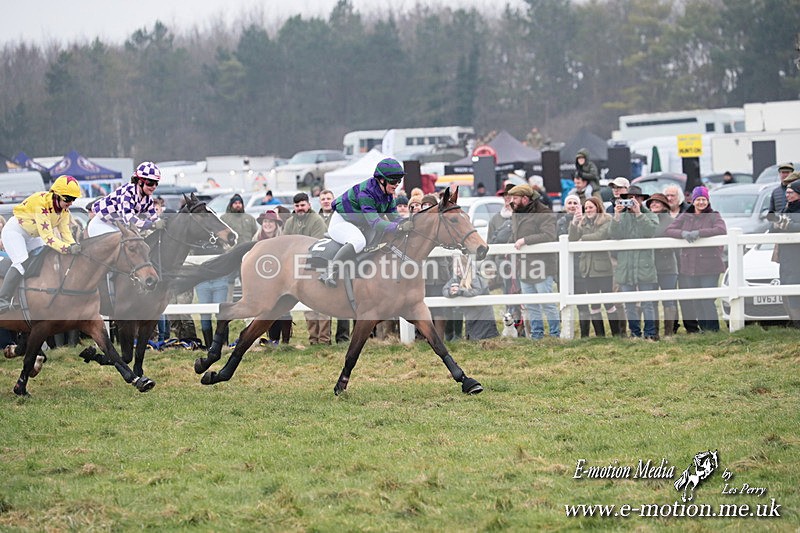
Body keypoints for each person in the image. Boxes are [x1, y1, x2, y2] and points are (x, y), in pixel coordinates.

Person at [320, 157, 412, 288]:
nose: (397, 184)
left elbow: (394, 217)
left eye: (399, 180)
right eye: (393, 180)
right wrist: (399, 227)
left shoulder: (388, 195)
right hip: (341, 221)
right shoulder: (366, 193)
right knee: (358, 241)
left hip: (360, 224)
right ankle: (329, 271)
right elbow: (375, 222)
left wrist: (410, 222)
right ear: (381, 180)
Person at [0, 175, 83, 313]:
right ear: (56, 195)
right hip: (15, 232)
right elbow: (48, 237)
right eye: (68, 199)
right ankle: (3, 299)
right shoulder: (41, 204)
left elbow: (65, 233)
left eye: (73, 199)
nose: (70, 203)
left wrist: (74, 245)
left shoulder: (64, 211)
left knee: (44, 259)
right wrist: (67, 249)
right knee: (21, 262)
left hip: (32, 234)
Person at [664, 186, 727, 333]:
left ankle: (713, 330)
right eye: (698, 199)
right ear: (693, 201)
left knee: (707, 299)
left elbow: (721, 229)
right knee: (696, 299)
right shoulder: (686, 216)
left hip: (710, 265)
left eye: (703, 199)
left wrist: (699, 233)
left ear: (708, 200)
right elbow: (669, 230)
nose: (701, 202)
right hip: (690, 265)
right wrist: (683, 233)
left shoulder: (714, 215)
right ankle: (704, 329)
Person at [509, 184, 559, 340]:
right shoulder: (517, 212)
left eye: (515, 198)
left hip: (543, 265)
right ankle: (537, 334)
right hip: (524, 265)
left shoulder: (544, 213)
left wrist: (525, 240)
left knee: (547, 302)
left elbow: (549, 235)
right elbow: (515, 235)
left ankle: (554, 334)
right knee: (531, 303)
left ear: (525, 199)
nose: (512, 201)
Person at [608, 189, 659, 340]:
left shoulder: (650, 215)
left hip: (644, 265)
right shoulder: (622, 216)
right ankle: (635, 333)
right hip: (626, 265)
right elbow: (614, 235)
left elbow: (651, 231)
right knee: (629, 304)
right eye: (630, 198)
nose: (633, 200)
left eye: (636, 198)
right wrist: (616, 216)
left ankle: (650, 333)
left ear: (642, 199)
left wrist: (638, 214)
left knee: (647, 303)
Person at [568, 196, 618, 338]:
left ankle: (617, 334)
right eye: (586, 208)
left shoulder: (607, 219)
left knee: (609, 303)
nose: (588, 210)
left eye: (591, 207)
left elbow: (600, 235)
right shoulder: (583, 222)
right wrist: (574, 222)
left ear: (598, 207)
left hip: (602, 268)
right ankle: (600, 335)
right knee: (594, 304)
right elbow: (572, 239)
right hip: (587, 268)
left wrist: (582, 239)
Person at [283, 192, 329, 345]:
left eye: (302, 205)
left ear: (309, 205)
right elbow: (285, 243)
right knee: (308, 305)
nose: (300, 208)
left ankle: (324, 339)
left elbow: (317, 244)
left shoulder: (317, 220)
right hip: (298, 268)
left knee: (321, 304)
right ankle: (313, 339)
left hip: (317, 266)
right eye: (297, 206)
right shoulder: (290, 223)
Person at [88, 161, 163, 236]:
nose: (154, 186)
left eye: (156, 183)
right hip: (101, 225)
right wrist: (152, 225)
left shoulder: (147, 198)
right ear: (140, 182)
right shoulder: (127, 192)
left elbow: (154, 217)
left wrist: (162, 223)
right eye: (150, 183)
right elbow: (129, 220)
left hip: (117, 227)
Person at [254, 210, 293, 344]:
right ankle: (273, 339)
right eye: (265, 221)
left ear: (276, 224)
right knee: (268, 309)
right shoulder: (256, 240)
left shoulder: (283, 240)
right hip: (262, 279)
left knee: (284, 309)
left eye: (271, 221)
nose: (268, 224)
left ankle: (285, 342)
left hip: (281, 279)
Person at [645, 193, 679, 337]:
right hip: (650, 267)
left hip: (668, 266)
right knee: (652, 301)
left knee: (669, 301)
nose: (654, 204)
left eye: (657, 202)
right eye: (651, 202)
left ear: (664, 205)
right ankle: (654, 333)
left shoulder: (672, 221)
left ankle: (669, 333)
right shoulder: (646, 220)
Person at [318, 188, 349, 344]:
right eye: (323, 199)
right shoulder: (317, 218)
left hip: (340, 258)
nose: (326, 201)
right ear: (319, 201)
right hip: (323, 258)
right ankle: (324, 337)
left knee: (342, 296)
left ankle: (343, 336)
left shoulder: (340, 216)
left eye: (328, 198)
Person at [442, 256, 498, 340]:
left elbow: (477, 290)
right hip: (470, 313)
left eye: (459, 267)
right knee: (473, 335)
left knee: (485, 334)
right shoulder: (455, 279)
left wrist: (460, 291)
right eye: (455, 267)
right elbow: (445, 290)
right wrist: (451, 292)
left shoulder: (473, 276)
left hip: (482, 310)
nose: (457, 269)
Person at [771, 179, 800, 327]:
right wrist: (777, 223)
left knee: (796, 291)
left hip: (797, 258)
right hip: (786, 257)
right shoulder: (786, 209)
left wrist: (787, 224)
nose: (787, 195)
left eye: (790, 192)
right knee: (786, 289)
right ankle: (795, 323)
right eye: (786, 192)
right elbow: (772, 227)